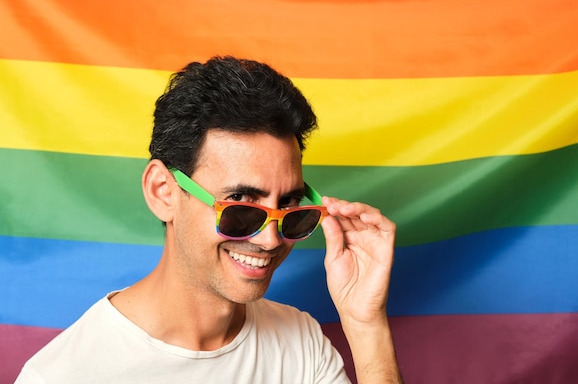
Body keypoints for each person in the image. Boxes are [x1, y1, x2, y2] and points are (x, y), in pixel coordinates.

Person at [15, 56, 403, 383]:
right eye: (239, 205)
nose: (270, 240)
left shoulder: (301, 343)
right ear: (163, 192)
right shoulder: (64, 374)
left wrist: (366, 325)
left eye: (289, 207)